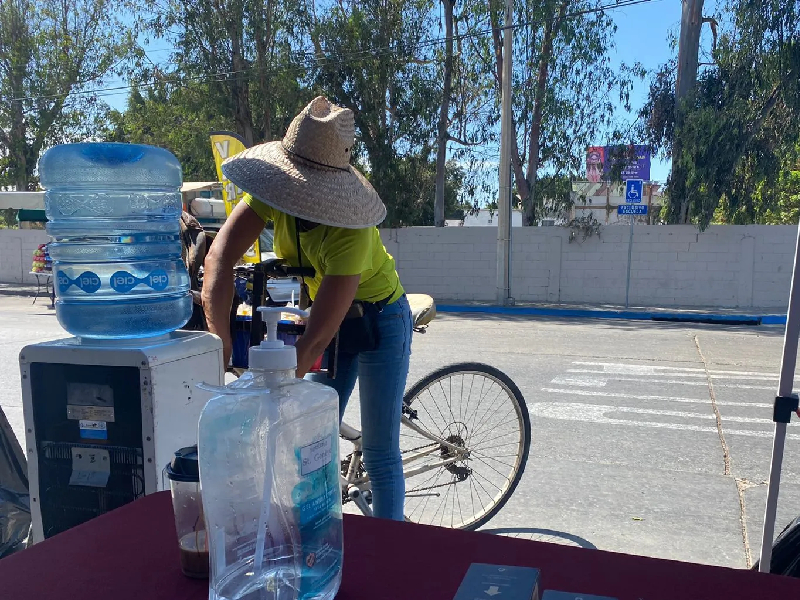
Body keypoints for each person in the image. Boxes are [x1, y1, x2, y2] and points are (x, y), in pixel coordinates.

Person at [201, 96, 412, 521]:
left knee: (378, 449)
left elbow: (317, 336)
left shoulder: (350, 227)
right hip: (333, 317)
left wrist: (269, 398)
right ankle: (316, 527)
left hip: (380, 320)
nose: (298, 195)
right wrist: (218, 346)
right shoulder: (275, 194)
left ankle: (394, 549)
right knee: (310, 437)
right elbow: (218, 260)